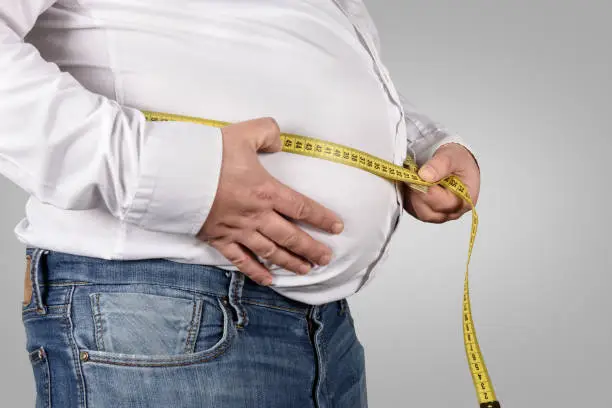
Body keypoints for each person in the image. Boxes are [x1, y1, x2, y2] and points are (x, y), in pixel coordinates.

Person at [0, 0, 480, 407]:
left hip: (323, 326)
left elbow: (281, 54)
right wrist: (175, 178)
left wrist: (419, 145)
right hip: (159, 303)